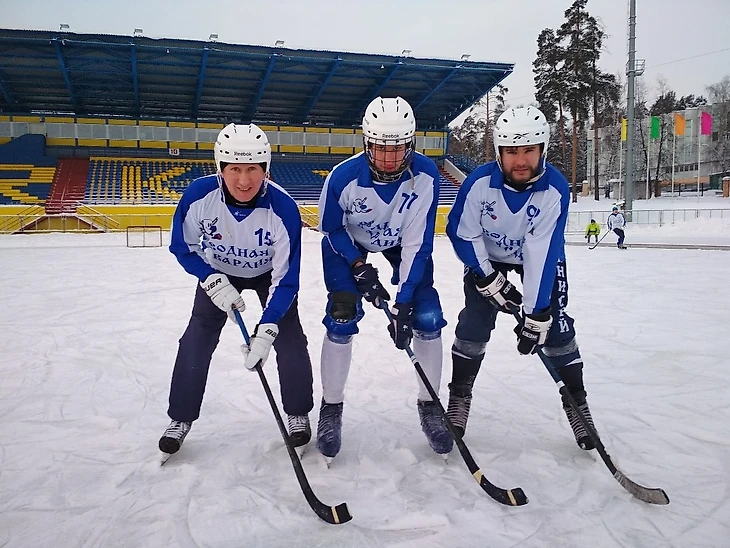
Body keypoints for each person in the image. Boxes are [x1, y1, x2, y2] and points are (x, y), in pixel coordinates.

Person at [444, 106, 599, 451]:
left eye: (529, 150)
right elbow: (462, 233)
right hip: (489, 258)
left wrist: (537, 311)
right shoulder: (479, 184)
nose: (520, 160)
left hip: (538, 260)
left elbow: (540, 252)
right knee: (474, 324)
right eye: (512, 151)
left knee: (555, 328)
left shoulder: (555, 189)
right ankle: (459, 396)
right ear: (499, 152)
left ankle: (578, 405)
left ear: (543, 148)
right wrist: (486, 278)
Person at [160, 123, 314, 457]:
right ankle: (180, 418)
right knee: (195, 339)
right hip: (219, 273)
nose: (244, 181)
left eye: (252, 170)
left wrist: (269, 325)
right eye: (234, 170)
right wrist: (210, 278)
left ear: (266, 170)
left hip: (268, 275)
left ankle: (298, 412)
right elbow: (182, 246)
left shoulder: (284, 208)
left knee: (289, 338)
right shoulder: (198, 196)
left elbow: (287, 278)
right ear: (220, 169)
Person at [316, 96, 451, 460]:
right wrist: (359, 267)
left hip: (398, 242)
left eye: (399, 149)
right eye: (380, 149)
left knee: (427, 316)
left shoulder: (425, 175)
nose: (390, 159)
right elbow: (331, 229)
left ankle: (430, 404)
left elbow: (417, 244)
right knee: (341, 316)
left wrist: (404, 301)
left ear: (411, 144)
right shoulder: (342, 177)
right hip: (347, 245)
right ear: (366, 144)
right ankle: (331, 407)